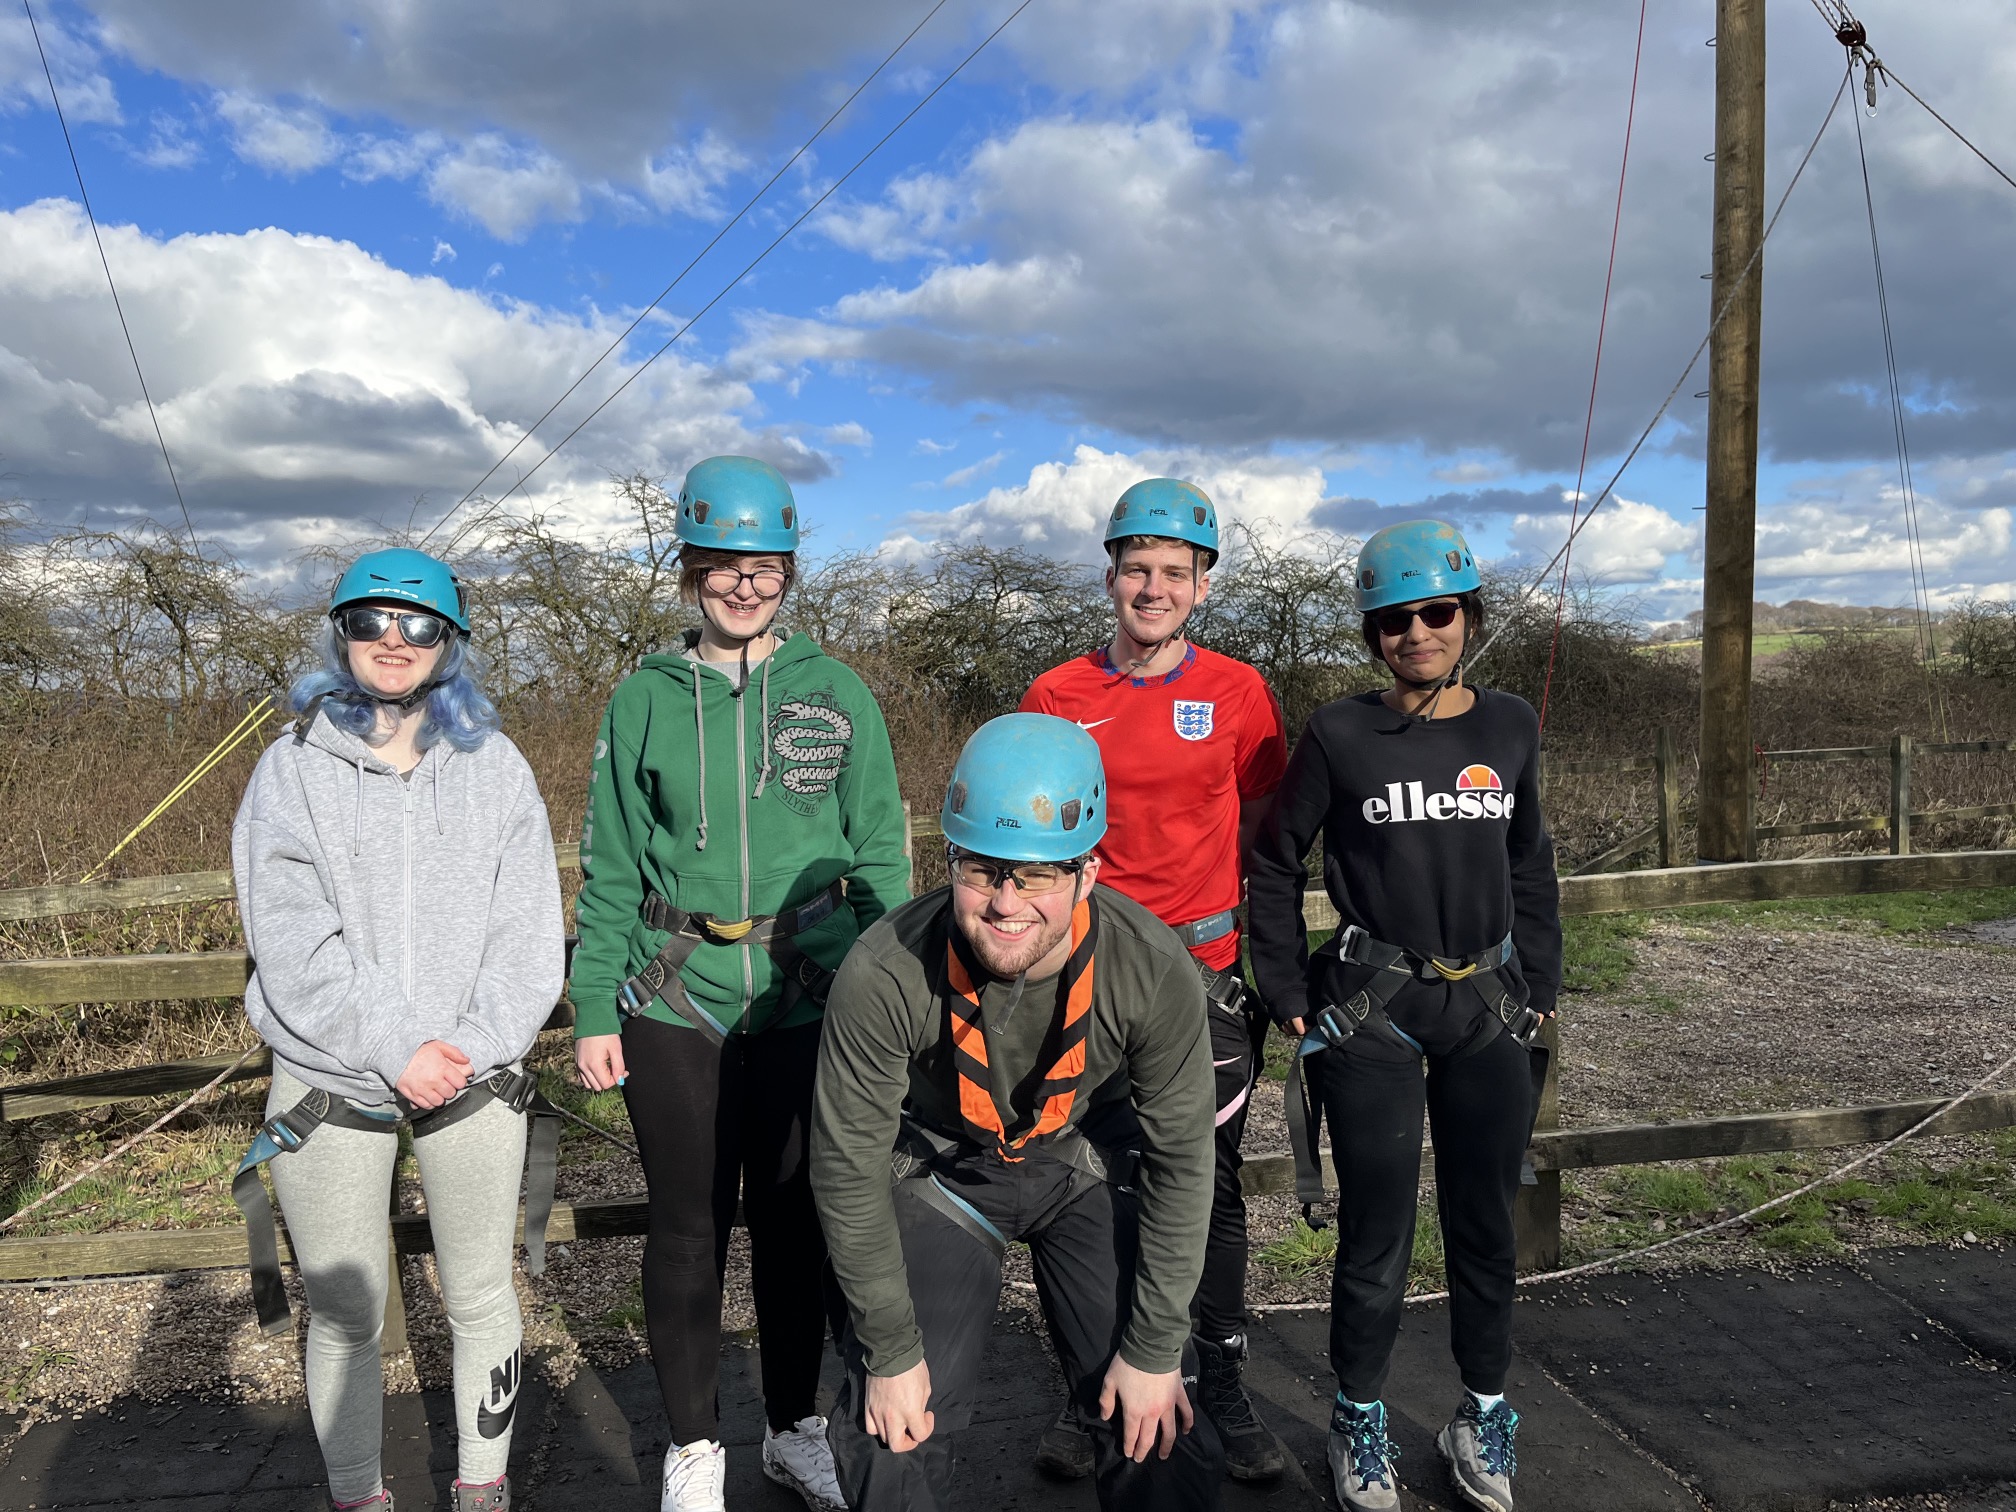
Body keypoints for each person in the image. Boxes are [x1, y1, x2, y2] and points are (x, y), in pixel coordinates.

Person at [568, 456, 909, 1512]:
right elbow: (611, 864)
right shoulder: (643, 701)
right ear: (690, 570)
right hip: (678, 993)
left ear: (790, 570)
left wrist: (888, 992)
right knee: (688, 1225)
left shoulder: (836, 692)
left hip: (811, 993)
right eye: (722, 564)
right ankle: (691, 1448)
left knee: (799, 1217)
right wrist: (591, 1007)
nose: (744, 584)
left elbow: (885, 861)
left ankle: (793, 1426)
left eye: (764, 565)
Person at [811, 713, 1226, 1511]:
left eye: (1037, 874)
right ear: (950, 860)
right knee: (888, 1432)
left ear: (1088, 874)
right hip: (944, 1169)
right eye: (981, 868)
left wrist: (1153, 1349)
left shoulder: (1149, 968)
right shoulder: (886, 969)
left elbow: (1182, 1161)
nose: (1005, 903)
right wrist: (892, 1354)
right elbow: (847, 1167)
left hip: (1081, 1163)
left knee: (1163, 1421)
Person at [232, 547, 566, 1512]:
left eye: (419, 625)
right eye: (372, 620)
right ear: (339, 635)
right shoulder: (289, 772)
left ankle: (482, 1487)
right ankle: (357, 1496)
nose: (394, 640)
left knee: (480, 1295)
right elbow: (293, 944)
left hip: (474, 1069)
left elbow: (528, 929)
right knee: (345, 1309)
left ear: (448, 643)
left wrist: (474, 1044)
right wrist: (397, 1049)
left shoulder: (496, 770)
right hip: (330, 1072)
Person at [1244, 519, 1560, 1512]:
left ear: (1469, 616)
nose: (1415, 633)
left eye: (1436, 613)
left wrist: (1540, 981)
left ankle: (1483, 1410)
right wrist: (1289, 991)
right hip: (1374, 1012)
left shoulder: (1508, 725)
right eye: (1392, 621)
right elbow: (1271, 858)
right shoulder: (1340, 734)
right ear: (1371, 634)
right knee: (1375, 1236)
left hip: (1487, 1008)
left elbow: (1530, 858)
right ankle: (1359, 1416)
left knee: (1485, 1226)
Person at [1019, 478, 1289, 1481]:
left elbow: (1266, 832)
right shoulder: (1056, 695)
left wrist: (1264, 963)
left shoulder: (1237, 694)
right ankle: (1093, 1391)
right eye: (1138, 568)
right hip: (1081, 980)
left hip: (1202, 981)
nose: (1154, 586)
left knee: (1205, 1192)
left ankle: (1217, 1384)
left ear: (1203, 587)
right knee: (1081, 1189)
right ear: (1110, 577)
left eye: (1176, 572)